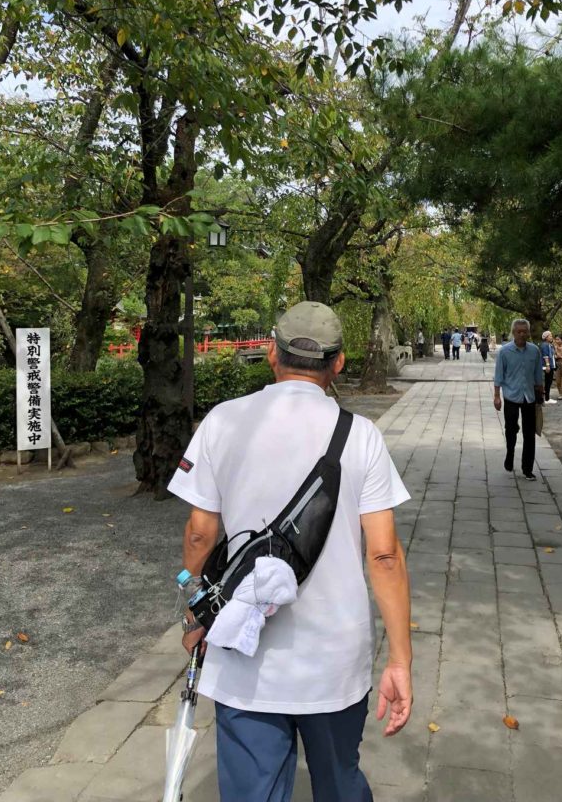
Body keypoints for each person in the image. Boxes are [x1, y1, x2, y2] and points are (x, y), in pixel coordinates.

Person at [169, 301, 413, 802]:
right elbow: (384, 555)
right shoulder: (361, 436)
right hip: (335, 658)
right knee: (340, 782)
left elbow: (199, 534)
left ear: (271, 354)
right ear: (338, 362)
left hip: (244, 652)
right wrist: (400, 660)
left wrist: (195, 615)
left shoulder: (222, 421)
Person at [493, 318, 544, 481]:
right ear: (513, 333)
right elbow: (498, 375)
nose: (522, 334)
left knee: (529, 433)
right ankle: (510, 454)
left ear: (528, 333)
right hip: (511, 396)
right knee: (511, 429)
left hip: (529, 397)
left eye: (524, 331)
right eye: (519, 331)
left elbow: (538, 375)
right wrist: (496, 396)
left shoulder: (534, 351)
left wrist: (541, 394)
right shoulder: (505, 351)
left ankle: (527, 468)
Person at [540, 330, 557, 405]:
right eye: (550, 336)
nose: (551, 337)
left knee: (548, 382)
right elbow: (545, 356)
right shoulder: (545, 345)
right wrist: (547, 365)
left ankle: (547, 398)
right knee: (547, 382)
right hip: (547, 366)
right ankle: (546, 399)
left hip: (550, 366)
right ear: (546, 337)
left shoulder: (549, 345)